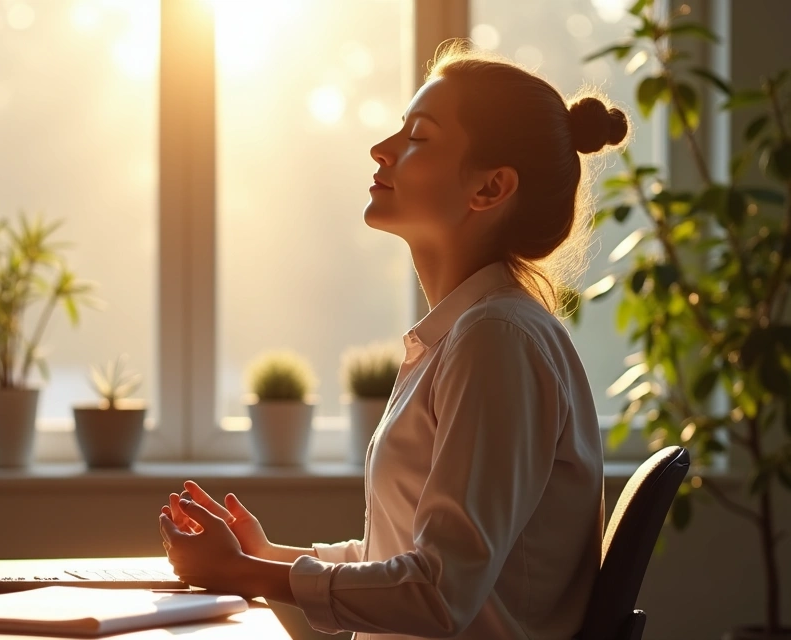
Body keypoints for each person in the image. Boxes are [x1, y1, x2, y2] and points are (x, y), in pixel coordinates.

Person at [158, 41, 628, 639]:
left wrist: (249, 574)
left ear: (489, 188)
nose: (382, 150)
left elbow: (437, 594)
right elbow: (406, 555)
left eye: (419, 137)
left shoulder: (496, 340)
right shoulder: (472, 334)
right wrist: (266, 556)